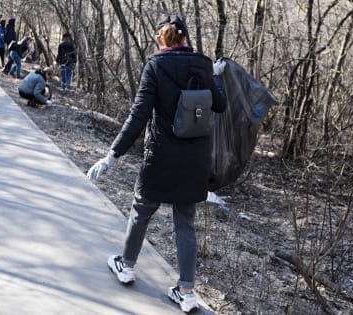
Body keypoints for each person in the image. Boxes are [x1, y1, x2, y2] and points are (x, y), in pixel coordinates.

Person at [87, 15, 227, 313]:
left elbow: (138, 116)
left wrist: (112, 156)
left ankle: (126, 266)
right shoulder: (203, 65)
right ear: (186, 38)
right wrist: (214, 77)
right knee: (185, 224)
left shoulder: (156, 66)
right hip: (194, 162)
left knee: (141, 210)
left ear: (161, 38)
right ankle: (187, 293)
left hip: (161, 156)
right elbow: (220, 104)